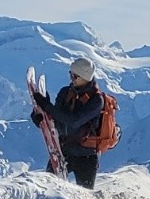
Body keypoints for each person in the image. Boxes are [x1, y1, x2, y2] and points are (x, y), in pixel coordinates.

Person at [32, 57, 105, 188]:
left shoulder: (96, 100)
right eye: (71, 74)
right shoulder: (65, 92)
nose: (71, 78)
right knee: (49, 189)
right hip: (63, 151)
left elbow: (74, 121)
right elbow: (56, 119)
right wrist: (40, 118)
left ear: (85, 77)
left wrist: (47, 106)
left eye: (75, 76)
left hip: (86, 157)